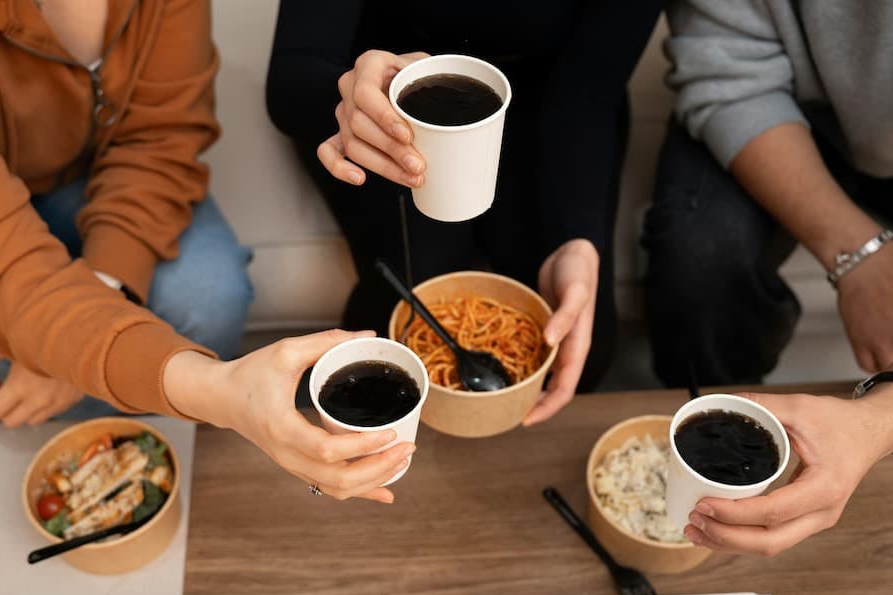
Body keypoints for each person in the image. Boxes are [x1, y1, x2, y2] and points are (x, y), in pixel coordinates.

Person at [0, 0, 409, 503]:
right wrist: (217, 392)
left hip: (75, 160)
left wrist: (96, 301)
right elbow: (6, 273)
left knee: (203, 301)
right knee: (52, 331)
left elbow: (158, 135)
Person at [645, 0, 893, 595]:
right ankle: (705, 441)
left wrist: (888, 415)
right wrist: (859, 256)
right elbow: (726, 64)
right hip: (784, 102)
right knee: (698, 256)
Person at [266, 1, 663, 424]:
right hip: (383, 95)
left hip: (553, 102)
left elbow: (588, 90)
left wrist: (576, 237)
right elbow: (292, 75)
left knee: (580, 331)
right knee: (403, 301)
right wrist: (349, 99)